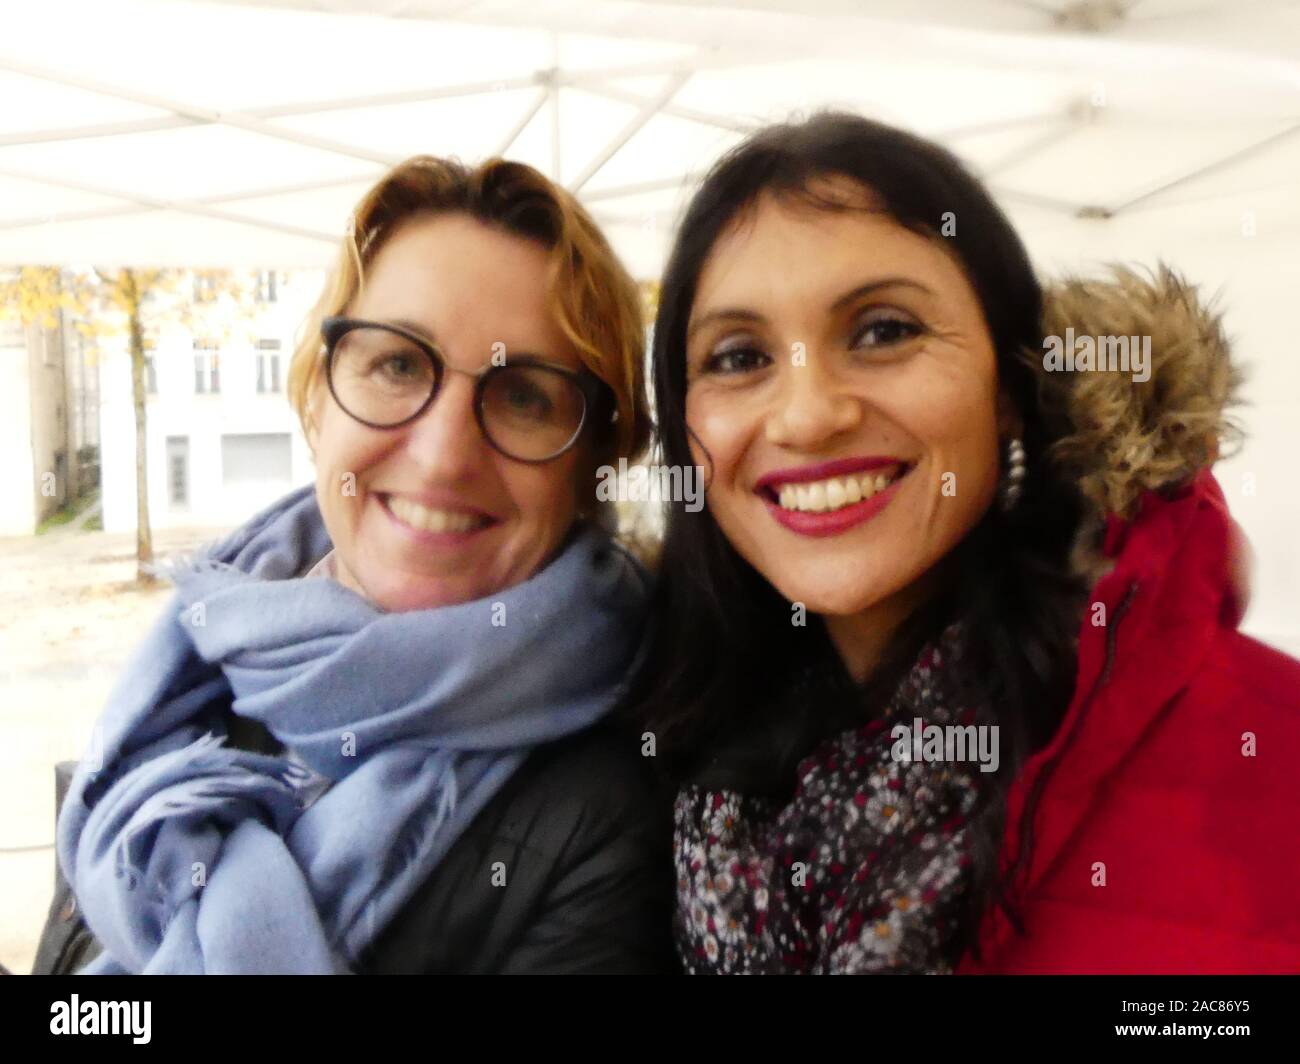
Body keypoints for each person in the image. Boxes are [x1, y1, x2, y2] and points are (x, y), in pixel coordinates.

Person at [634, 111, 1300, 973]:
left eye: (883, 331)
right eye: (736, 356)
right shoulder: (664, 766)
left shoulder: (1267, 751)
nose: (807, 414)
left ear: (1012, 387)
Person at [45, 155, 674, 974]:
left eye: (524, 395)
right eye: (399, 363)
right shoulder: (194, 666)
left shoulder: (615, 807)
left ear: (594, 465)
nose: (445, 456)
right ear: (316, 390)